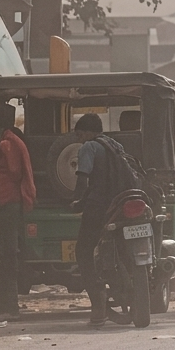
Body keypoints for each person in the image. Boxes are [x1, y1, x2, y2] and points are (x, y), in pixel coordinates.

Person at [70, 113, 128, 328]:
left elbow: (83, 178)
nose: (79, 139)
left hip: (98, 206)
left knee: (83, 250)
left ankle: (98, 300)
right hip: (119, 204)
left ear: (86, 132)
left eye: (79, 134)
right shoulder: (114, 145)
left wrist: (76, 201)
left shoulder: (89, 147)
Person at [0, 104, 35, 321]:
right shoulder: (13, 141)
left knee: (7, 253)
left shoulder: (7, 144)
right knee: (7, 253)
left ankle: (10, 305)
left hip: (8, 203)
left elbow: (14, 172)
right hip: (7, 202)